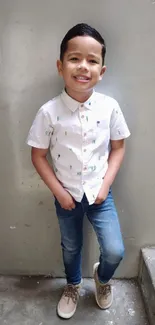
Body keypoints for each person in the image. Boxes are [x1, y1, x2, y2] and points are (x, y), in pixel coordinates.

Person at [27, 23, 130, 319]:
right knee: (70, 247)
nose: (83, 67)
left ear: (102, 70)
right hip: (66, 196)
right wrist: (59, 193)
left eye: (92, 60)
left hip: (101, 194)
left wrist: (104, 185)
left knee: (114, 250)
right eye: (74, 58)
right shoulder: (48, 112)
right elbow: (37, 155)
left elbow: (119, 147)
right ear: (61, 66)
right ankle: (72, 284)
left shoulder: (109, 107)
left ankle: (102, 278)